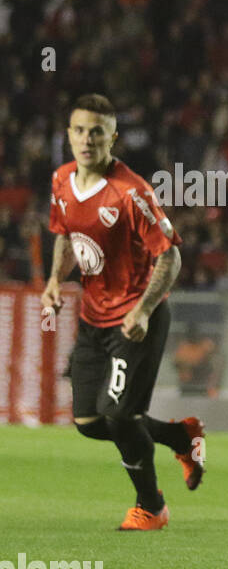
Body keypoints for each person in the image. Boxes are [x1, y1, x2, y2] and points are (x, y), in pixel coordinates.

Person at [40, 94, 204, 531]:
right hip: (94, 320)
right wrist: (56, 280)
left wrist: (145, 310)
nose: (87, 139)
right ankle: (179, 436)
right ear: (69, 135)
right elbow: (65, 236)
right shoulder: (61, 180)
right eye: (79, 130)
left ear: (113, 136)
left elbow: (170, 257)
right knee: (89, 422)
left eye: (97, 131)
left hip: (135, 321)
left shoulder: (132, 192)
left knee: (119, 415)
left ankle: (151, 507)